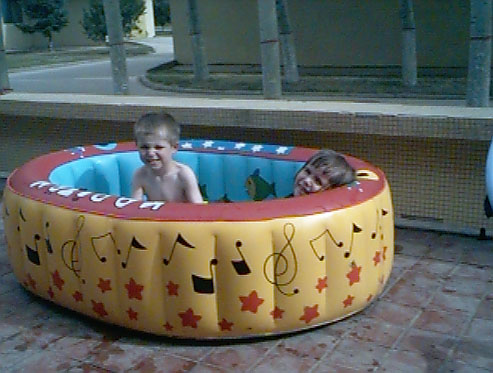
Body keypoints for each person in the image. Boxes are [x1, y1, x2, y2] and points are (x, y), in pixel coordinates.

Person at [131, 112, 204, 203]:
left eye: (158, 147)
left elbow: (197, 209)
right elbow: (134, 207)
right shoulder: (140, 175)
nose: (150, 153)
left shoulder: (183, 174)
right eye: (144, 147)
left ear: (174, 147)